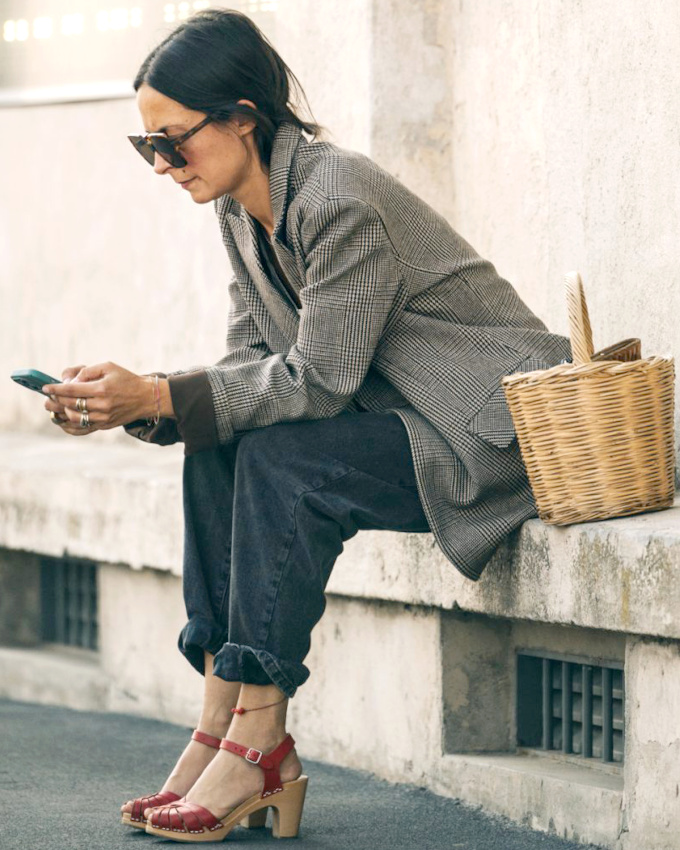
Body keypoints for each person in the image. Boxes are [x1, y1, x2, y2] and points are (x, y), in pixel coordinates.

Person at [42, 7, 572, 842]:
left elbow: (319, 380)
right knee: (218, 448)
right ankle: (220, 723)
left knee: (283, 461)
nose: (161, 164)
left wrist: (155, 395)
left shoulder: (336, 197)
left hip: (482, 431)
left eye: (172, 140)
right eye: (146, 146)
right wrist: (134, 407)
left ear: (242, 119)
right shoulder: (239, 209)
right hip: (389, 418)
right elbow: (249, 362)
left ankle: (261, 742)